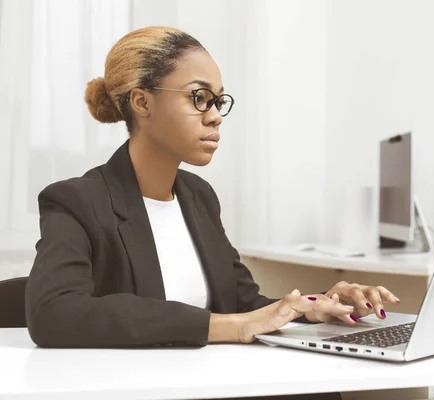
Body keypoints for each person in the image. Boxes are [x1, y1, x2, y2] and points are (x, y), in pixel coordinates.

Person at [25, 26, 400, 400]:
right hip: (139, 390)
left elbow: (244, 305)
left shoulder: (198, 196)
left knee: (324, 390)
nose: (215, 116)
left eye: (219, 102)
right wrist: (231, 327)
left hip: (211, 383)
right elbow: (53, 313)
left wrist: (317, 306)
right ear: (142, 103)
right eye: (199, 98)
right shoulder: (77, 200)